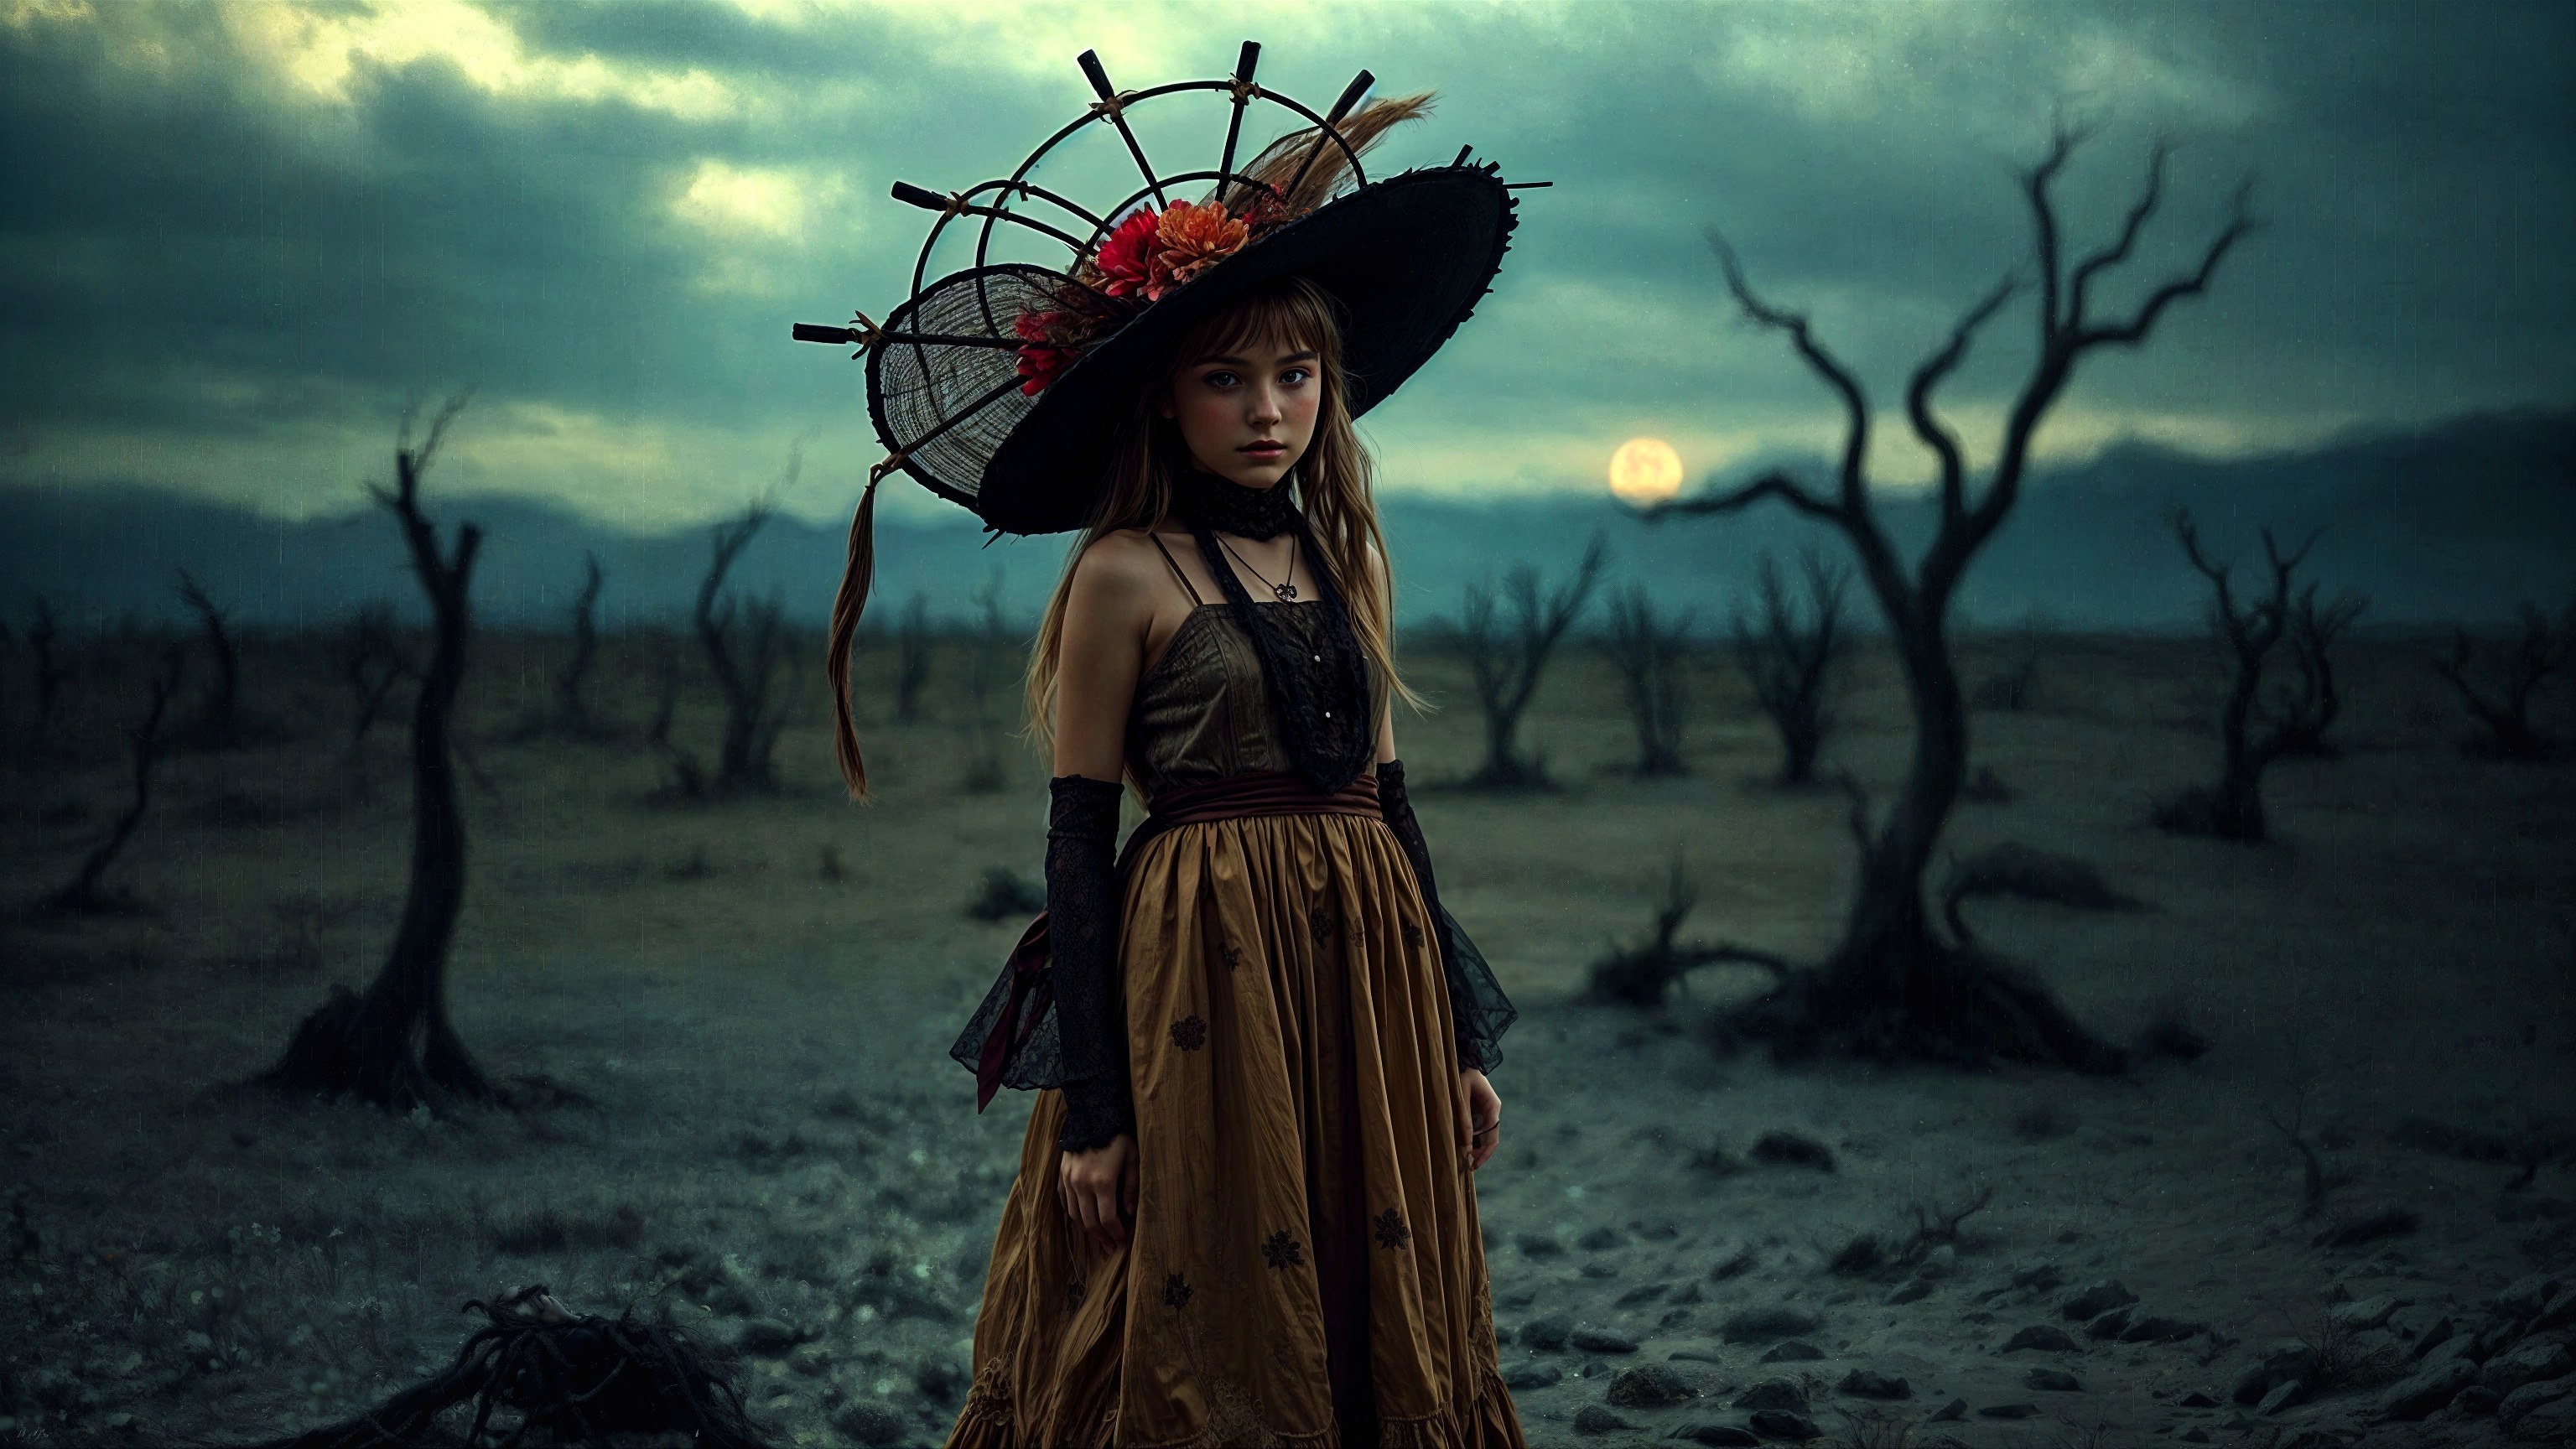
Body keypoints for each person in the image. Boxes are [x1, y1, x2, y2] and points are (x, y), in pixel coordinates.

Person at [810, 51, 1531, 1446]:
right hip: (1201, 962)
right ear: (1164, 396)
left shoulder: (1348, 561)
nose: (1268, 410)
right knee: (1197, 1267)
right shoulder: (1123, 575)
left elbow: (1390, 803)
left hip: (1367, 959)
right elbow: (1078, 834)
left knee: (1369, 1268)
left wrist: (1450, 1037)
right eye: (1225, 378)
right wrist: (1093, 1107)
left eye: (1295, 376)